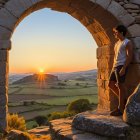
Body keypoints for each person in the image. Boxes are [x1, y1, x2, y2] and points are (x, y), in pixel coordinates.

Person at [108, 25, 133, 116]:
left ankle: (120, 108)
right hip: (115, 66)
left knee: (120, 86)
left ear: (121, 32)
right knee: (110, 84)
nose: (114, 33)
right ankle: (124, 101)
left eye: (116, 32)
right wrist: (113, 67)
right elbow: (116, 57)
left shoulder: (127, 42)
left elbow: (130, 56)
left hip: (121, 65)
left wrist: (124, 68)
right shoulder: (117, 43)